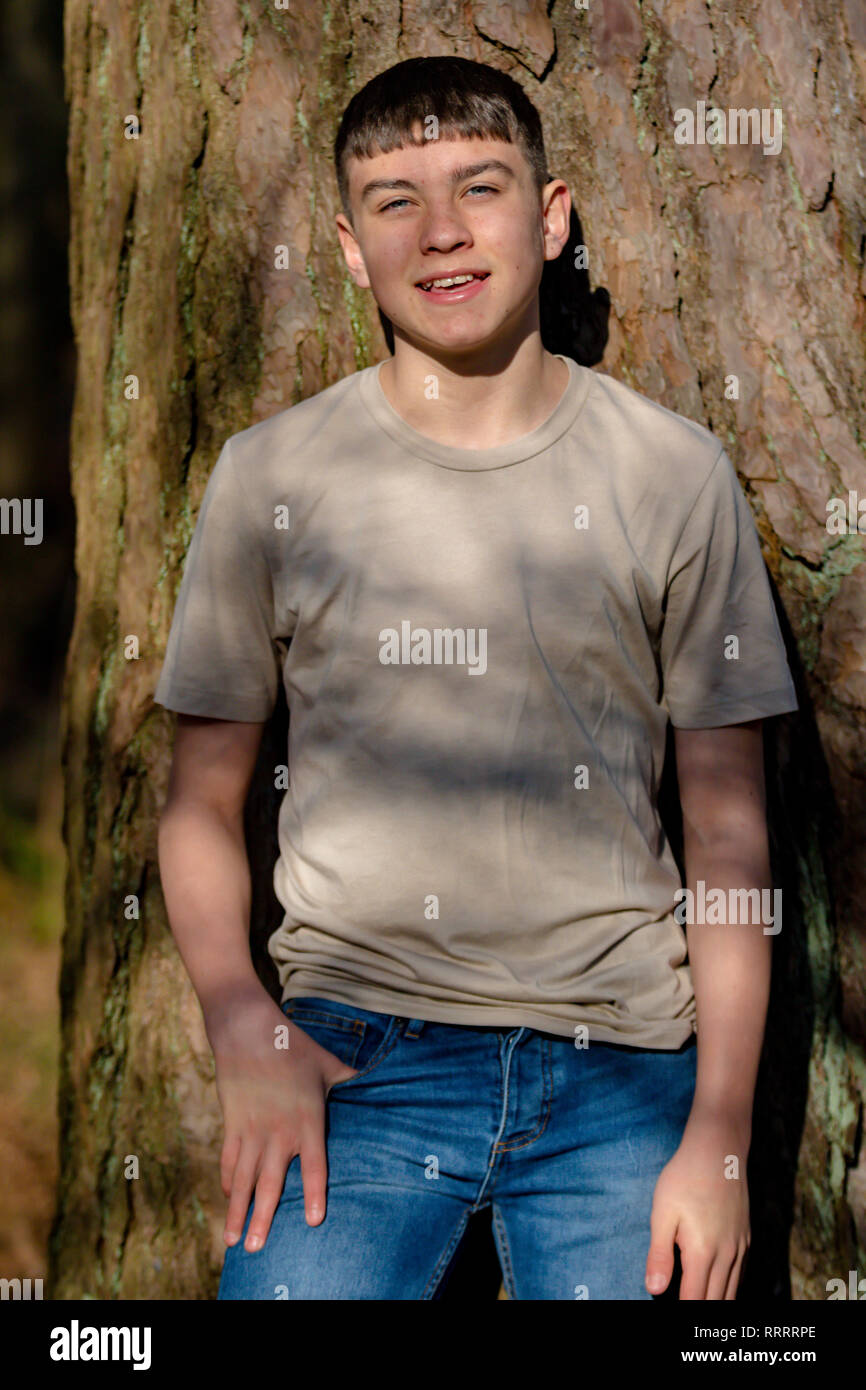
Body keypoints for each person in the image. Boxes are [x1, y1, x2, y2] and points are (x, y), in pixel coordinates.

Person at [154, 55, 799, 1300]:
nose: (441, 232)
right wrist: (242, 1016)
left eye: (477, 188)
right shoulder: (271, 476)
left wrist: (718, 1133)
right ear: (349, 248)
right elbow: (199, 800)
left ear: (548, 218)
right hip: (352, 1062)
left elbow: (728, 839)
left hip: (620, 1070)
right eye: (395, 200)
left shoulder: (671, 474)